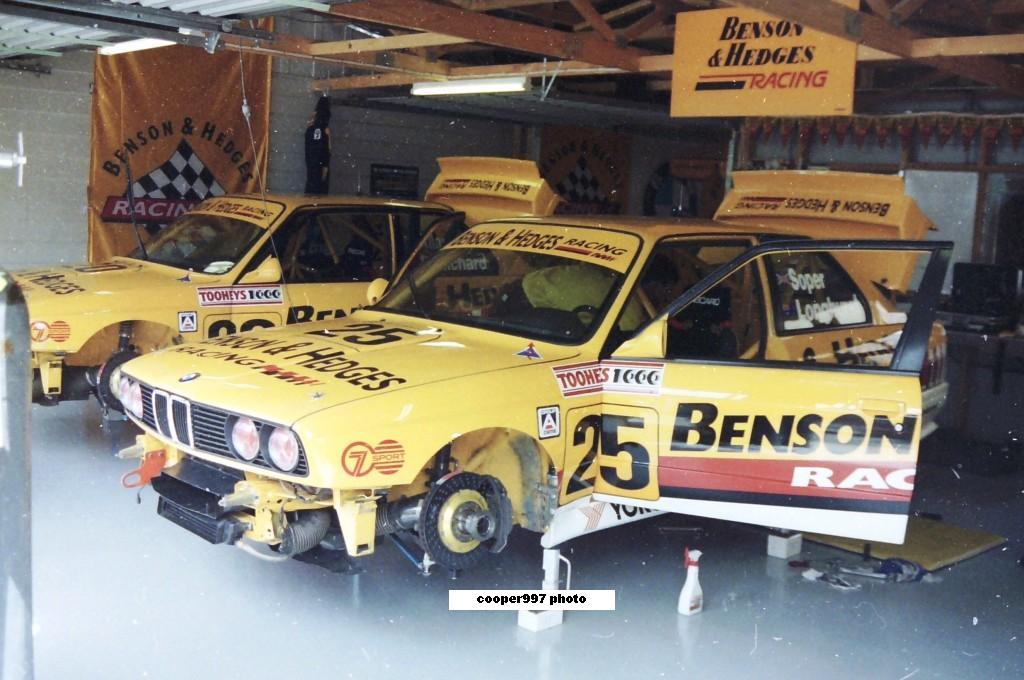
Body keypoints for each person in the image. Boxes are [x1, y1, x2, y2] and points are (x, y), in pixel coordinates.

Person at [304, 95, 331, 194]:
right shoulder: (324, 130)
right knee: (320, 186)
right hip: (319, 162)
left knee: (312, 182)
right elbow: (326, 150)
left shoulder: (310, 129)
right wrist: (325, 165)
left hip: (312, 162)